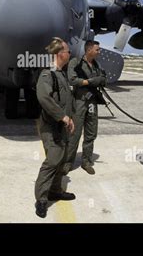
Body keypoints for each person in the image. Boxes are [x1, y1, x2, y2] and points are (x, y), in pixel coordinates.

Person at [34, 37, 75, 218]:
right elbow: (44, 98)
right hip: (51, 126)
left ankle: (55, 191)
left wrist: (69, 118)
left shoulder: (61, 73)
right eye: (67, 51)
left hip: (62, 125)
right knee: (52, 161)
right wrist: (63, 117)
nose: (69, 53)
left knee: (61, 159)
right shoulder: (48, 74)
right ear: (60, 54)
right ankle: (41, 199)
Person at [63, 40, 106, 175]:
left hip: (92, 102)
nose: (99, 52)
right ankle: (68, 162)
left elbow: (103, 78)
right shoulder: (76, 63)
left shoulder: (97, 65)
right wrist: (88, 81)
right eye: (97, 49)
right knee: (74, 133)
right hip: (79, 102)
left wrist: (100, 80)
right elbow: (72, 79)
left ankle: (86, 161)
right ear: (89, 50)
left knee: (91, 133)